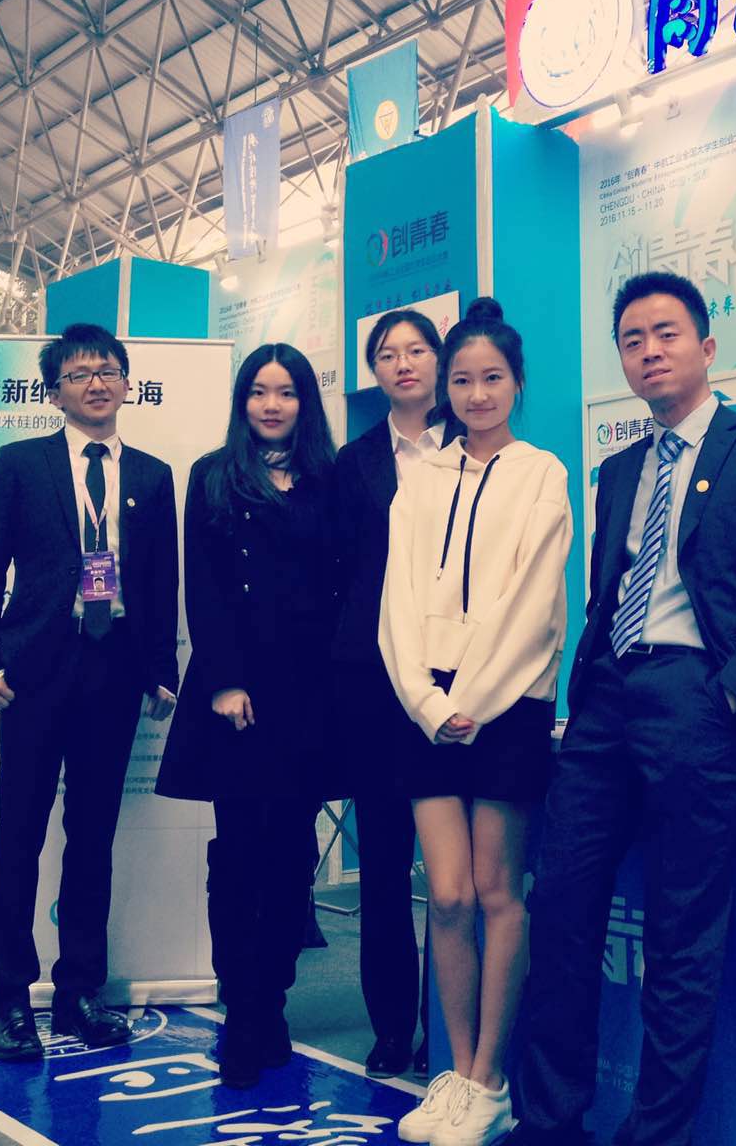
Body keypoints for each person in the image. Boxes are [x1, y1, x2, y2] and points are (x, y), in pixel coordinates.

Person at [511, 270, 736, 1146]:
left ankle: (655, 1136)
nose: (648, 351)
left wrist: (727, 695)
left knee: (682, 935)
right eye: (632, 340)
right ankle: (549, 1121)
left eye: (666, 334)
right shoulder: (619, 470)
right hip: (608, 703)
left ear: (706, 346)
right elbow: (607, 594)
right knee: (561, 907)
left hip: (701, 700)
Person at [380, 297, 573, 1146]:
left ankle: (491, 1080)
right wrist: (427, 702)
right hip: (426, 710)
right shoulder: (420, 477)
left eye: (492, 378)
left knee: (498, 893)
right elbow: (396, 599)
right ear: (444, 389)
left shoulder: (542, 473)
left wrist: (477, 700)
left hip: (509, 705)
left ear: (517, 383)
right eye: (462, 380)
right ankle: (457, 1075)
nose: (477, 393)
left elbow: (534, 603)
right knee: (448, 894)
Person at [0, 323, 179, 1062]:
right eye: (81, 373)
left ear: (127, 383)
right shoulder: (21, 463)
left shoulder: (152, 475)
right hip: (32, 675)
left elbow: (161, 580)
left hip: (112, 673)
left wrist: (160, 670)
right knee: (19, 835)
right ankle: (10, 999)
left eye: (109, 370)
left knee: (92, 838)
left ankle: (80, 992)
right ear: (55, 391)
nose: (97, 383)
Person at [156, 343, 337, 1088]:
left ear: (304, 402)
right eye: (259, 391)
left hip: (311, 695)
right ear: (242, 401)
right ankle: (243, 1011)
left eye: (286, 392)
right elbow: (202, 588)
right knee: (239, 856)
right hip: (236, 697)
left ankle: (273, 1003)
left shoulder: (329, 478)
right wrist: (225, 682)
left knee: (292, 856)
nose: (271, 405)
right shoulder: (212, 475)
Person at [330, 309, 447, 1078]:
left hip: (462, 683)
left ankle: (450, 1028)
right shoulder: (355, 462)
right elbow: (338, 573)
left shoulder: (475, 444)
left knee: (456, 876)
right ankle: (392, 1025)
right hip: (374, 687)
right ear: (373, 372)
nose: (403, 363)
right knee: (383, 865)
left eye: (416, 350)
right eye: (387, 354)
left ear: (439, 360)